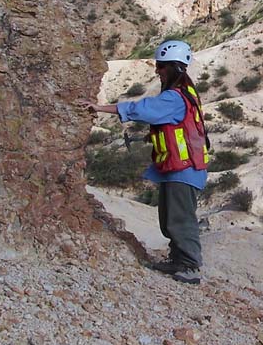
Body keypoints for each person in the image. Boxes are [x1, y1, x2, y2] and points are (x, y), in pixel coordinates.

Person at [79, 40, 209, 285]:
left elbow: (143, 109)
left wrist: (100, 108)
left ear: (172, 67)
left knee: (180, 219)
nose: (157, 71)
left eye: (160, 66)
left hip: (183, 169)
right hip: (180, 168)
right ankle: (178, 260)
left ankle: (190, 266)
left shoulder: (173, 97)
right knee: (171, 218)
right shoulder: (186, 93)